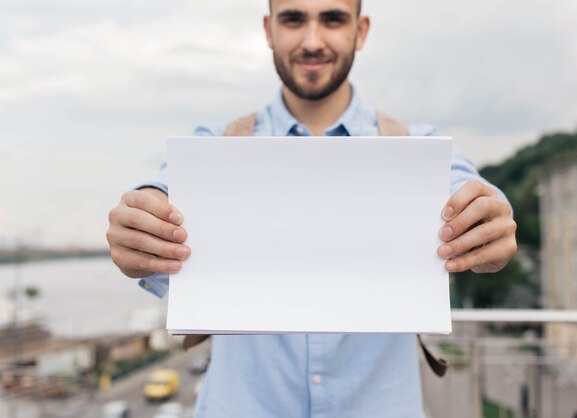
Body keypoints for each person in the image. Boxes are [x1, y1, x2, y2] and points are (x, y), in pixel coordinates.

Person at [106, 0, 517, 416]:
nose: (312, 40)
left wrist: (491, 228)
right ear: (269, 30)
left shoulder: (420, 151)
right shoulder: (216, 146)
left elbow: (477, 196)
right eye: (293, 19)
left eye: (333, 19)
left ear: (361, 30)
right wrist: (142, 220)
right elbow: (162, 192)